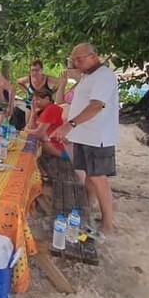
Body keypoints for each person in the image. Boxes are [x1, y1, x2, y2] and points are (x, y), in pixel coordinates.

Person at [52, 43, 118, 236]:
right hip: (84, 135)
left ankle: (108, 224)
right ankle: (89, 207)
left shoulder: (104, 76)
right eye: (74, 60)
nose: (76, 63)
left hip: (98, 136)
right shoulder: (88, 76)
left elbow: (96, 105)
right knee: (89, 176)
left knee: (99, 179)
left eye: (80, 59)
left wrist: (68, 125)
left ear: (93, 56)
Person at [25, 88, 68, 159]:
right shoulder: (47, 109)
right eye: (34, 100)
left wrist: (26, 129)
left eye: (37, 99)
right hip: (53, 147)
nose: (35, 103)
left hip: (57, 149)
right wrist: (33, 111)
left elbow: (38, 133)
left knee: (29, 153)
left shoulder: (51, 109)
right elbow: (33, 127)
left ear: (47, 99)